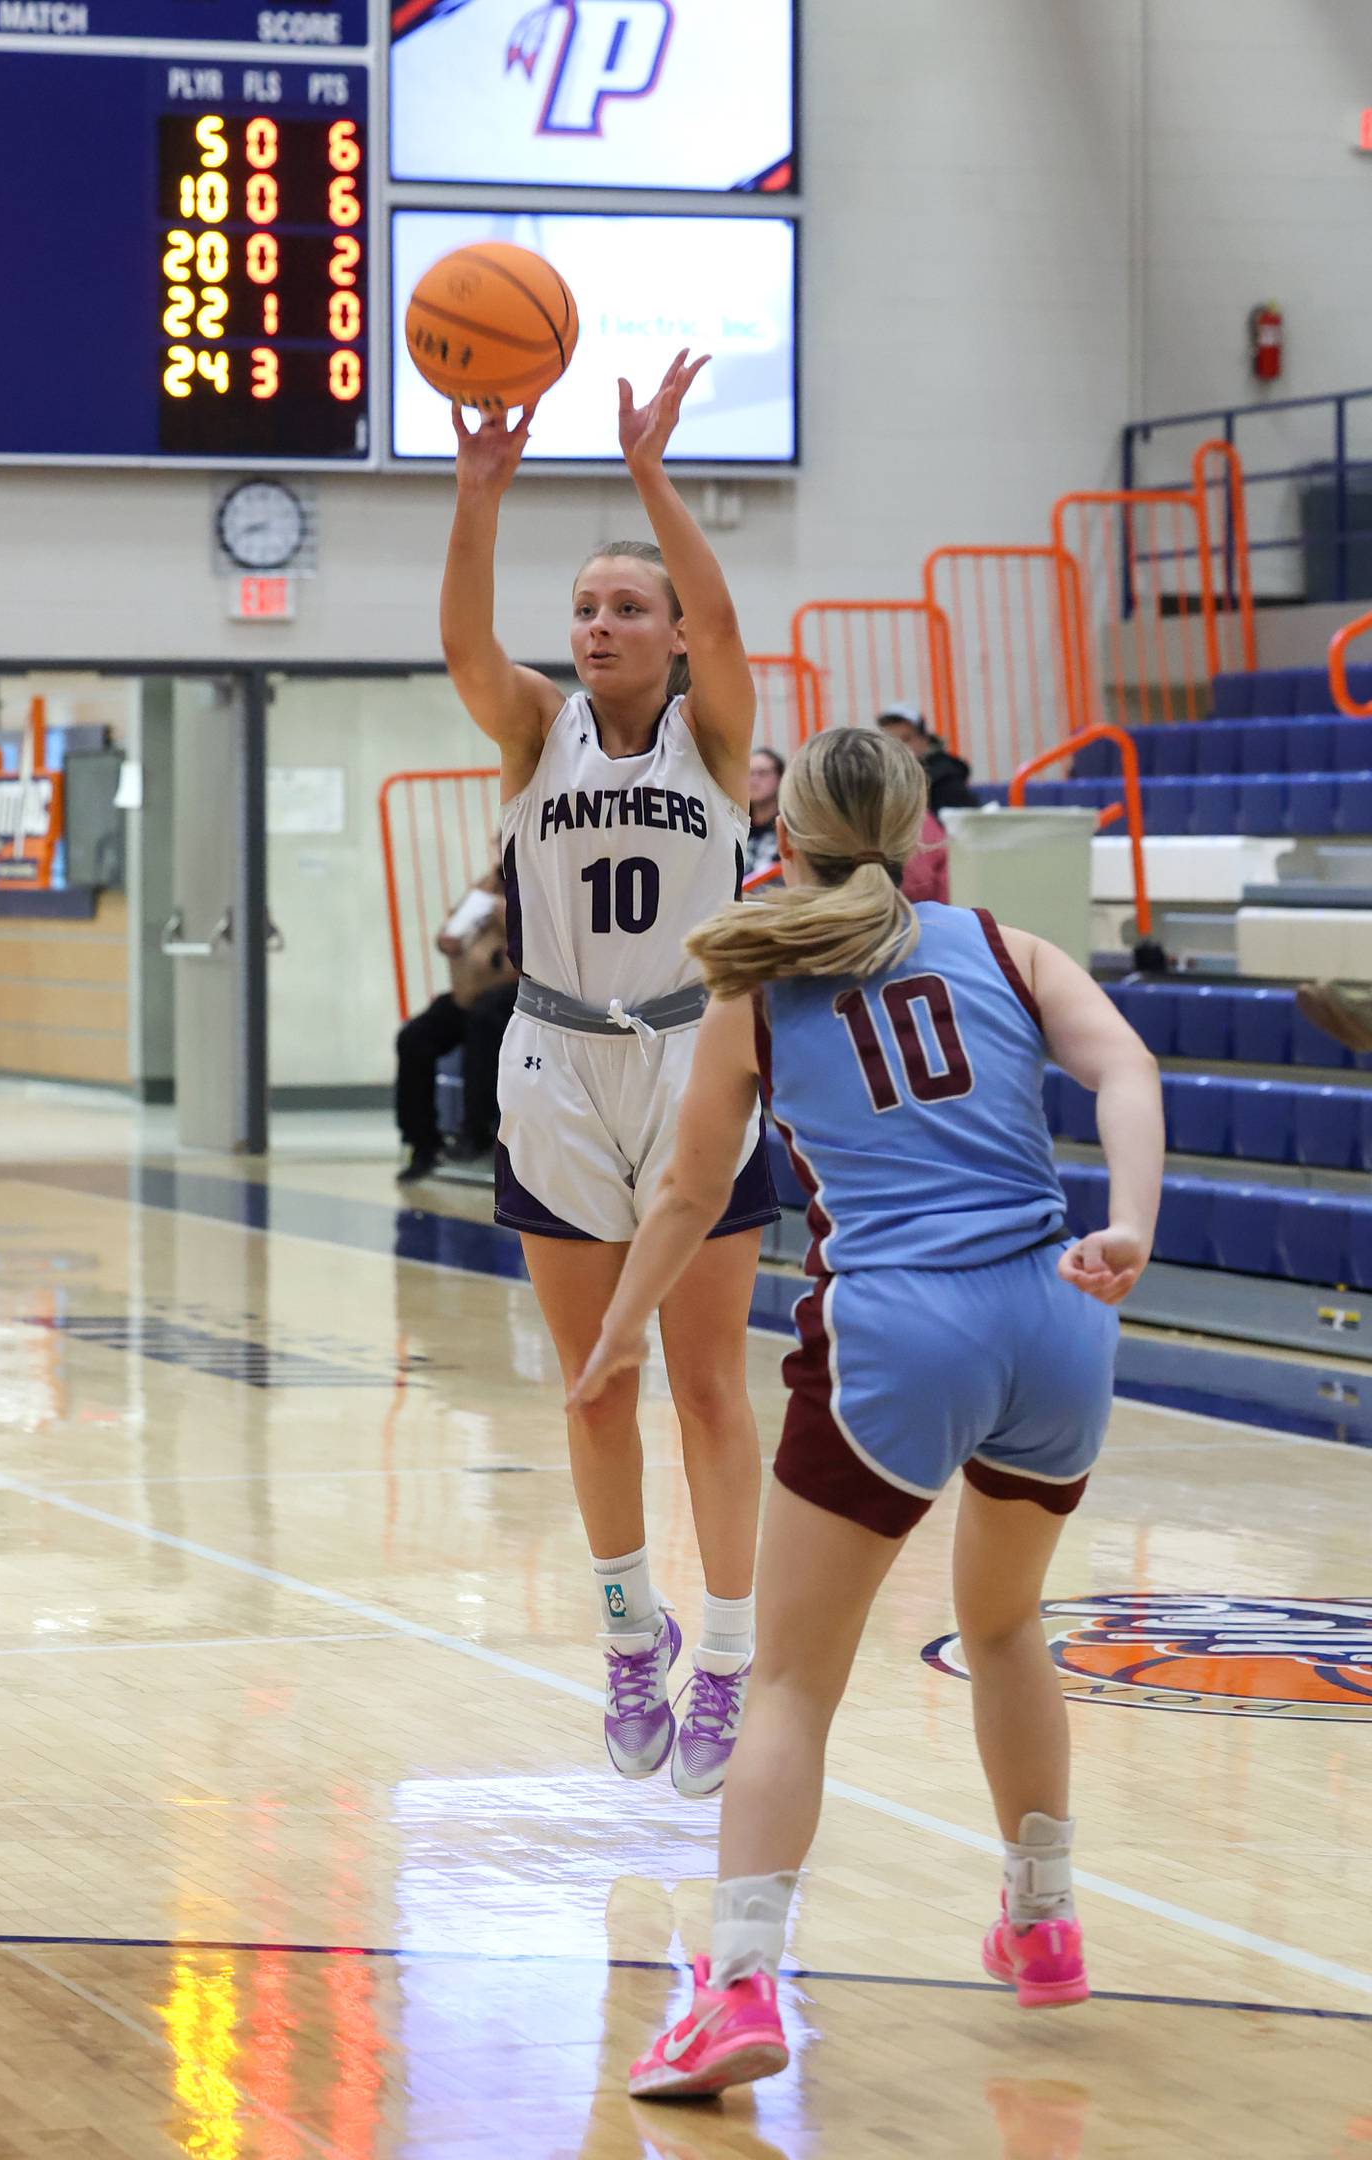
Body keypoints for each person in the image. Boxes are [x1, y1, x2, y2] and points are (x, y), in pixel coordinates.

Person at [569, 727, 1164, 2098]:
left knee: (787, 1681)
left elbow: (685, 1195)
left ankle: (732, 1991)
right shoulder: (1006, 946)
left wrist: (613, 1341)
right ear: (921, 829)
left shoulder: (758, 979)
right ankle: (1044, 1921)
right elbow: (1127, 1068)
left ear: (786, 838)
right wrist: (1128, 1224)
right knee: (1006, 1625)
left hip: (902, 1329)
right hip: (1059, 1318)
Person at [438, 350, 778, 1798]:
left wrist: (652, 472)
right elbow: (464, 644)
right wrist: (476, 498)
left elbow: (723, 609)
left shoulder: (716, 732)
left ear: (674, 637)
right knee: (590, 1385)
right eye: (583, 607)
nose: (597, 624)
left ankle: (730, 1659)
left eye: (625, 607)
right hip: (559, 1061)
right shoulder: (534, 730)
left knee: (705, 1382)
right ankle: (629, 1635)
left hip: (696, 1056)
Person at [395, 858, 519, 1184]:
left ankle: (476, 1133)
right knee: (414, 1038)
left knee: (484, 1025)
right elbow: (450, 930)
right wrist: (445, 939)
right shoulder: (487, 884)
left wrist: (502, 910)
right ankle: (422, 1144)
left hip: (516, 996)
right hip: (470, 995)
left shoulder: (540, 882)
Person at [878, 701, 979, 816]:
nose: (898, 747)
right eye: (890, 741)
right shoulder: (883, 776)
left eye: (906, 739)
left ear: (924, 740)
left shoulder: (945, 780)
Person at [744, 747, 784, 881]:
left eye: (762, 773)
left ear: (779, 778)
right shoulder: (736, 826)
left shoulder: (790, 828)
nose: (754, 780)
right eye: (749, 773)